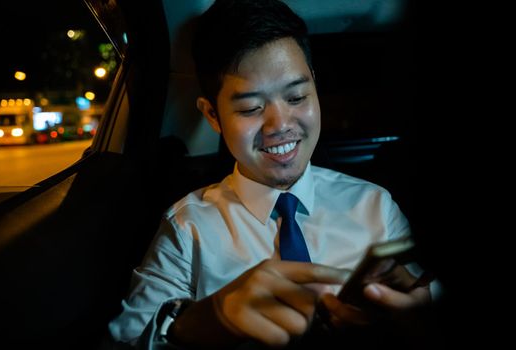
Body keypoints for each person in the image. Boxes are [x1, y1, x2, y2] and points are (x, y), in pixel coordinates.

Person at [108, 0, 430, 348]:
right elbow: (124, 342)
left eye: (296, 97)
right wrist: (198, 322)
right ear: (212, 115)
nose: (280, 125)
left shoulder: (376, 206)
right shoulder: (188, 229)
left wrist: (417, 314)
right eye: (251, 108)